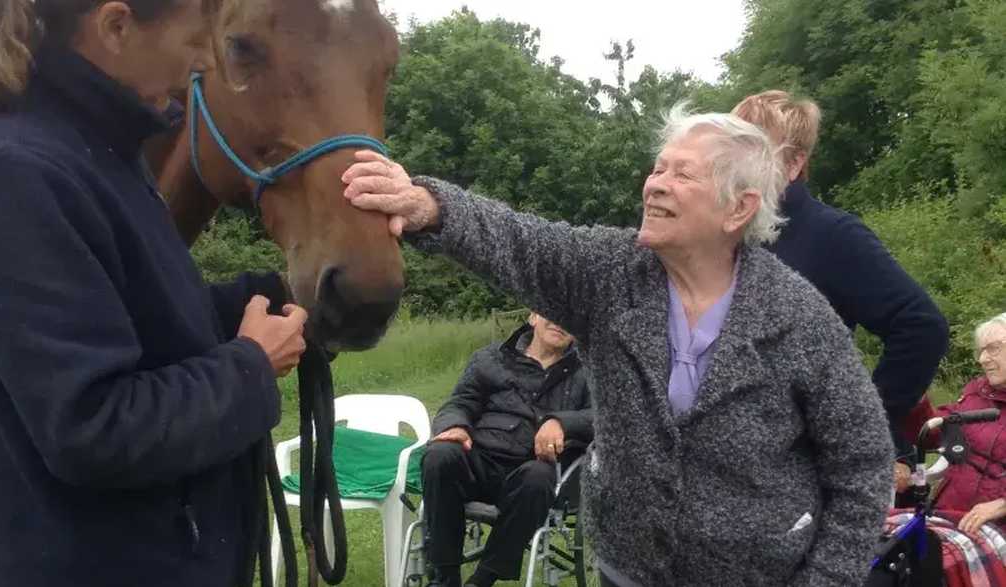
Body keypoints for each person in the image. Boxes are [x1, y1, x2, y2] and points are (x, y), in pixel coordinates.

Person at [341, 107, 894, 586]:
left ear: (738, 208)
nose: (655, 184)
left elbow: (864, 466)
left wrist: (825, 579)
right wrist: (427, 205)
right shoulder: (612, 273)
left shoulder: (799, 317)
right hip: (630, 567)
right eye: (658, 168)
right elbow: (521, 241)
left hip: (760, 573)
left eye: (683, 175)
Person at [0, 1, 307, 585]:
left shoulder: (97, 152)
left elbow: (139, 323)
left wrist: (270, 297)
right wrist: (250, 365)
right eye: (197, 40)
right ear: (116, 27)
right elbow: (91, 427)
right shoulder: (17, 173)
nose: (204, 64)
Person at [732, 90, 950, 461]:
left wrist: (856, 425)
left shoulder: (831, 234)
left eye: (751, 150)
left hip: (809, 471)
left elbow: (921, 328)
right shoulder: (735, 234)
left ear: (794, 163)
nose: (732, 164)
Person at [421, 312, 593, 587]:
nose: (560, 321)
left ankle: (483, 579)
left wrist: (561, 422)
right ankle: (445, 575)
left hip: (531, 471)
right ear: (533, 317)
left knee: (537, 477)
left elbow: (604, 417)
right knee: (440, 455)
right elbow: (460, 402)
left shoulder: (587, 371)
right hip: (479, 459)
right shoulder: (491, 358)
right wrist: (456, 426)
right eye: (552, 311)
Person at [898, 313, 1006, 534]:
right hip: (948, 513)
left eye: (993, 348)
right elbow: (935, 435)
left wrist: (1002, 504)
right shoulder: (976, 392)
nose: (983, 359)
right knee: (885, 549)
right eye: (981, 350)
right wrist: (916, 400)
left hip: (995, 526)